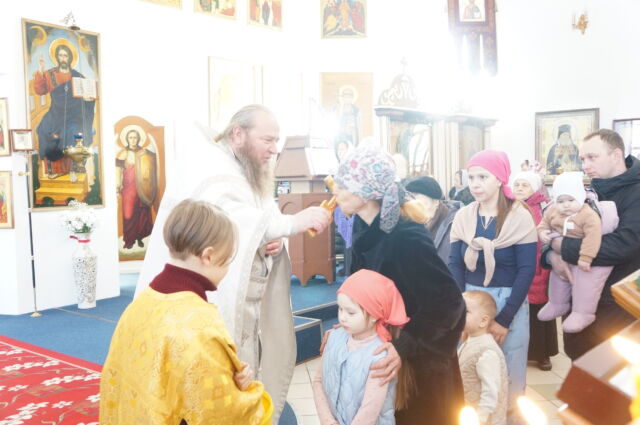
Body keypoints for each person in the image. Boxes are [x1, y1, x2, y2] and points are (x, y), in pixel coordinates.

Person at [136, 105, 330, 423]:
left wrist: (274, 239)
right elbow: (224, 222)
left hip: (244, 303)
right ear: (238, 134)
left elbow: (259, 217)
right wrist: (291, 223)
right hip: (198, 299)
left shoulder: (248, 168)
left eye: (277, 140)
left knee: (242, 375)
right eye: (267, 140)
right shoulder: (210, 165)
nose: (274, 149)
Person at [100, 199, 273, 425]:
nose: (228, 268)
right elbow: (222, 414)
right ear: (208, 256)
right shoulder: (200, 327)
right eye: (228, 259)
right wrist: (247, 390)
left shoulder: (142, 302)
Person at [333, 146, 466, 425]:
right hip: (388, 356)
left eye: (343, 184)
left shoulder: (405, 236)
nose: (335, 191)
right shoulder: (364, 229)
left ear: (365, 190)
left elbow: (449, 304)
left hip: (420, 368)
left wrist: (404, 346)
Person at [449, 149, 537, 425]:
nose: (475, 184)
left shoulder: (519, 216)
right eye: (471, 177)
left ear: (500, 179)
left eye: (483, 177)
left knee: (509, 373)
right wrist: (461, 308)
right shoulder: (463, 216)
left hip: (509, 301)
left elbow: (527, 269)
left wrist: (505, 318)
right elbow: (455, 264)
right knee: (471, 370)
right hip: (471, 302)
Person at [544, 129, 640, 359]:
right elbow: (556, 224)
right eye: (582, 159)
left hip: (617, 309)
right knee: (579, 368)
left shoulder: (636, 192)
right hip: (577, 301)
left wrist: (561, 247)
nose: (585, 166)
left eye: (592, 157)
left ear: (616, 155)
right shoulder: (587, 190)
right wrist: (550, 254)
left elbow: (621, 245)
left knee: (611, 375)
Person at [313, 269, 410, 425]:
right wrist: (328, 421)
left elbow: (369, 412)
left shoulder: (380, 356)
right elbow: (318, 380)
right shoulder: (333, 338)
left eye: (351, 313)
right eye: (340, 309)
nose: (342, 317)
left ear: (374, 315)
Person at [537, 171, 618, 333]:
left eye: (571, 200)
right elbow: (544, 223)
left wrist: (586, 257)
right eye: (561, 201)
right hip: (563, 253)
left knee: (585, 284)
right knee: (557, 278)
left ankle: (583, 313)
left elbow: (593, 237)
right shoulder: (553, 211)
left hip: (584, 252)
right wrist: (542, 231)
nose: (566, 205)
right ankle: (557, 303)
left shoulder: (587, 214)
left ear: (580, 197)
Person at [511, 171, 557, 371]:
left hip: (539, 265)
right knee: (519, 311)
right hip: (516, 264)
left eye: (525, 185)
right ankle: (523, 352)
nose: (520, 188)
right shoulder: (510, 206)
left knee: (540, 311)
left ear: (534, 188)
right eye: (517, 184)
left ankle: (543, 354)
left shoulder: (543, 207)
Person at [33, 41, 96, 179]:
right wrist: (41, 70)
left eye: (65, 56)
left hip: (74, 114)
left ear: (70, 58)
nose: (63, 58)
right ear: (57, 57)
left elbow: (89, 95)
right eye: (60, 55)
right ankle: (55, 170)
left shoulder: (78, 76)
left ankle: (74, 168)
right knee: (44, 129)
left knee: (73, 131)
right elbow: (40, 90)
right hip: (56, 112)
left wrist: (88, 98)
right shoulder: (50, 74)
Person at [459, 291, 508, 425]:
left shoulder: (487, 352)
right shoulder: (470, 341)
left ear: (483, 321)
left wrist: (480, 418)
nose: (458, 314)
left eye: (465, 311)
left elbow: (491, 390)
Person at [405, 176, 462, 263]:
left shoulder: (455, 223)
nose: (414, 207)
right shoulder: (412, 224)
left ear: (436, 202)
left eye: (417, 201)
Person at [116, 128, 157, 250]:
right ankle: (130, 240)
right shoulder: (123, 153)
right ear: (127, 139)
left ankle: (139, 237)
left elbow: (150, 170)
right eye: (130, 137)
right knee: (128, 215)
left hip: (142, 189)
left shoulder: (144, 153)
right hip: (128, 189)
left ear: (138, 139)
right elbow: (118, 171)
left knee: (142, 214)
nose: (133, 140)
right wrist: (117, 186)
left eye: (135, 137)